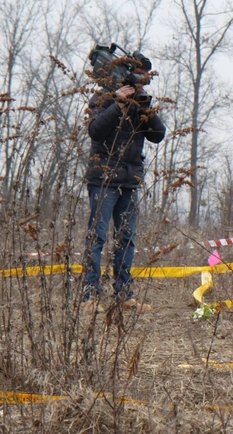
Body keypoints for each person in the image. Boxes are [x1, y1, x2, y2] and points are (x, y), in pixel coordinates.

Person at [81, 54, 166, 313]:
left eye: (144, 76)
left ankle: (125, 295)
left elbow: (158, 135)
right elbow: (95, 130)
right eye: (138, 73)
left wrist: (144, 110)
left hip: (129, 181)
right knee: (97, 237)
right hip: (103, 180)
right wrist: (118, 104)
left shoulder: (141, 101)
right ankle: (89, 297)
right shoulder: (103, 98)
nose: (140, 79)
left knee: (126, 238)